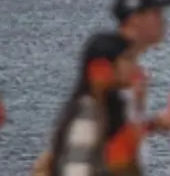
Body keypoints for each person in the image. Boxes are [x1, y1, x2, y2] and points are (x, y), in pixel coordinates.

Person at [43, 31, 138, 175]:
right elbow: (75, 169)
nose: (134, 66)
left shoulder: (107, 108)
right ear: (103, 67)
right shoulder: (88, 113)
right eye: (128, 59)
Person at [111, 0, 170, 170]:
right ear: (135, 20)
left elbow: (117, 129)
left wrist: (151, 125)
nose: (164, 21)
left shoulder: (133, 70)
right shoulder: (115, 68)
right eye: (156, 14)